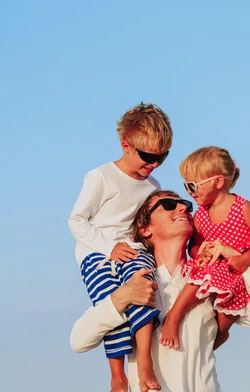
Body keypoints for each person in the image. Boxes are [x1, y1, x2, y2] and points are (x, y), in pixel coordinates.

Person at [70, 190, 250, 392]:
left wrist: (239, 261)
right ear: (145, 228)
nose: (183, 208)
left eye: (186, 205)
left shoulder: (213, 280)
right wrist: (123, 296)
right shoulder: (134, 279)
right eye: (169, 204)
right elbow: (78, 342)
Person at [68, 103, 172, 392]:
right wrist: (108, 247)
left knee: (143, 289)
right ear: (126, 145)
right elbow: (76, 220)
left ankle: (144, 365)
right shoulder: (101, 176)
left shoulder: (153, 185)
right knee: (113, 304)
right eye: (148, 156)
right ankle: (117, 376)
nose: (153, 164)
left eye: (162, 157)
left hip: (134, 250)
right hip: (97, 253)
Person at [159, 146, 250, 351]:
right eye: (186, 186)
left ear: (218, 182)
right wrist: (199, 253)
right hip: (215, 265)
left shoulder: (243, 208)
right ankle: (174, 316)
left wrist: (245, 260)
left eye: (193, 186)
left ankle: (218, 337)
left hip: (241, 262)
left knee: (226, 315)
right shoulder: (202, 215)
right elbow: (193, 246)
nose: (189, 193)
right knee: (207, 271)